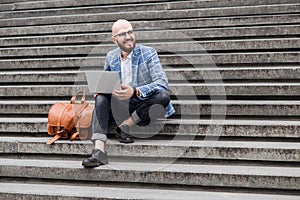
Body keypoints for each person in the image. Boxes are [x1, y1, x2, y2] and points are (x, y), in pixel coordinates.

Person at [82, 19, 175, 168]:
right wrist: (101, 89)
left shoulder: (148, 53)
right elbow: (107, 81)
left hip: (142, 105)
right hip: (120, 105)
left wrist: (135, 91)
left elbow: (162, 82)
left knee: (163, 95)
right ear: (114, 39)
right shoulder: (111, 57)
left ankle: (126, 125)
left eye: (130, 32)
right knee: (100, 98)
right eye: (122, 34)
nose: (128, 37)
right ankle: (99, 152)